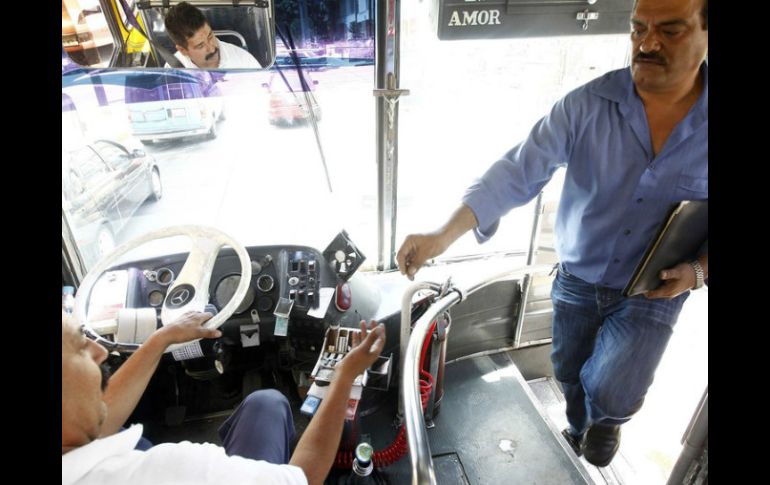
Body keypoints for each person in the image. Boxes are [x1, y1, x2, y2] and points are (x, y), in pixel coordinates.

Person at [396, 0, 707, 468]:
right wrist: (442, 236)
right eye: (637, 28)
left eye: (670, 30)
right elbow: (516, 172)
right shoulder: (585, 105)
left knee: (611, 386)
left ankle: (606, 423)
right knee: (568, 372)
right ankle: (582, 422)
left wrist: (700, 270)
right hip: (577, 280)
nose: (646, 43)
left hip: (654, 291)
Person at [63, 310, 386, 484]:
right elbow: (304, 476)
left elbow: (99, 419)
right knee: (271, 401)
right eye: (80, 347)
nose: (101, 351)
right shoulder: (175, 471)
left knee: (264, 403)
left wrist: (162, 338)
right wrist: (345, 375)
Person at [164, 1, 261, 69]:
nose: (212, 48)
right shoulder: (173, 69)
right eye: (200, 45)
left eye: (210, 36)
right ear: (183, 50)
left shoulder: (244, 62)